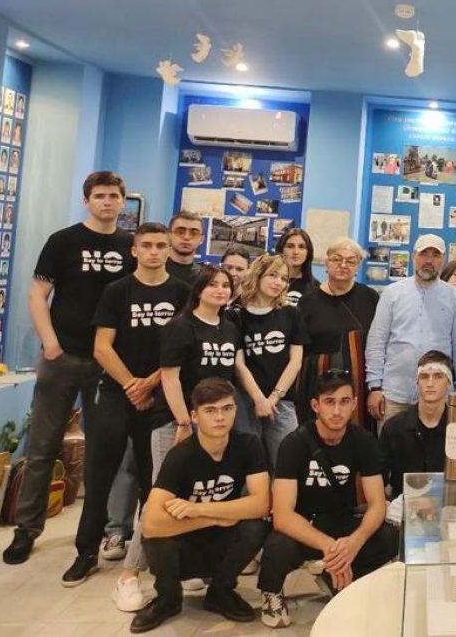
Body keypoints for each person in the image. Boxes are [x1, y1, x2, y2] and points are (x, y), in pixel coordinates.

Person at [3, 171, 134, 566]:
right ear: (86, 200)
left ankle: (99, 533)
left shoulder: (130, 245)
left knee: (104, 451)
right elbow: (37, 294)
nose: (107, 202)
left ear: (123, 201)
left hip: (108, 362)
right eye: (99, 195)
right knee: (42, 448)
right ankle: (27, 529)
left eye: (113, 196)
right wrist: (51, 343)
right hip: (62, 358)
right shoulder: (63, 241)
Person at [63, 223, 190, 586]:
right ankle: (86, 552)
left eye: (160, 245)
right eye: (146, 245)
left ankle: (153, 554)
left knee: (156, 482)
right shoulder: (116, 291)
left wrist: (150, 383)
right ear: (134, 250)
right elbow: (102, 347)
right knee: (99, 476)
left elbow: (184, 347)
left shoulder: (182, 292)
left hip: (160, 396)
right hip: (117, 394)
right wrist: (132, 385)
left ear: (169, 250)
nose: (154, 251)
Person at [114, 265, 242, 610]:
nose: (220, 290)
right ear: (198, 289)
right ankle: (128, 575)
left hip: (213, 423)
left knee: (197, 495)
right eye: (212, 284)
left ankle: (189, 569)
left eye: (225, 285)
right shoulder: (180, 326)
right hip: (176, 421)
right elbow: (170, 378)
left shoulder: (229, 328)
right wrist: (184, 421)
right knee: (160, 497)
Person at [257, 369, 398, 628]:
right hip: (304, 524)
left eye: (344, 402)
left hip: (340, 519)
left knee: (389, 536)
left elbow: (377, 504)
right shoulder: (294, 443)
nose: (337, 411)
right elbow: (283, 515)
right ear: (315, 406)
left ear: (354, 404)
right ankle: (271, 592)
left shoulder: (363, 441)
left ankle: (337, 574)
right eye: (329, 402)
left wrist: (353, 543)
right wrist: (331, 547)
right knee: (277, 546)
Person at [129, 378, 270, 633]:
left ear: (235, 411)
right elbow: (150, 524)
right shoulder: (180, 455)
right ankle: (168, 598)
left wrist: (199, 509)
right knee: (157, 537)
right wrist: (213, 517)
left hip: (222, 544)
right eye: (210, 410)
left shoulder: (249, 445)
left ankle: (221, 592)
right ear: (194, 416)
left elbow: (261, 504)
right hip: (184, 547)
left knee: (256, 526)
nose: (220, 417)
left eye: (227, 408)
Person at [366, 235, 456, 430]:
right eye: (424, 254)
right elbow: (377, 341)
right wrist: (375, 386)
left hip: (439, 396)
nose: (429, 260)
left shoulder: (455, 297)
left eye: (435, 255)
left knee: (437, 449)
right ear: (413, 256)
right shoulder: (392, 293)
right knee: (390, 447)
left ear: (443, 260)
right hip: (394, 394)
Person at [232, 254, 306, 464]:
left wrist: (273, 398)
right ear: (257, 275)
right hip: (246, 400)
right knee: (248, 463)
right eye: (272, 275)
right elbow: (239, 364)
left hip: (281, 399)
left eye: (283, 278)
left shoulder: (292, 314)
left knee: (287, 462)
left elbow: (295, 362)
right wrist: (259, 399)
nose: (278, 282)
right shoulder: (236, 315)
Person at [298, 238, 378, 427]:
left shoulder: (370, 297)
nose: (343, 265)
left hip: (359, 386)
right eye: (337, 259)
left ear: (358, 266)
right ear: (326, 264)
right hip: (317, 384)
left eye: (351, 261)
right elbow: (299, 349)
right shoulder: (308, 301)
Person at [377, 350, 453, 498]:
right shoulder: (393, 428)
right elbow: (378, 478)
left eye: (438, 376)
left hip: (448, 506)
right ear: (417, 382)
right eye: (424, 377)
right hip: (402, 505)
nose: (430, 383)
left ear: (449, 382)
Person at [275, 228, 318, 307]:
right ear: (281, 250)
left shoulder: (316, 288)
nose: (296, 252)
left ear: (308, 252)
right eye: (290, 246)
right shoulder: (270, 282)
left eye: (301, 247)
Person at [166, 211, 203, 283]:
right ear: (169, 236)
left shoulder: (204, 276)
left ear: (201, 239)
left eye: (194, 233)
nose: (186, 237)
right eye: (180, 232)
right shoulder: (155, 271)